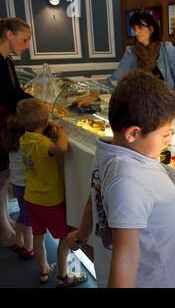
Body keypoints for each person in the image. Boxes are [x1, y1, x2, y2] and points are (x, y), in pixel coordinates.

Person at [67, 70, 175, 288]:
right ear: (133, 133)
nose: (170, 140)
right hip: (155, 281)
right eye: (165, 134)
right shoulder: (128, 180)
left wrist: (81, 235)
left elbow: (93, 199)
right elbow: (126, 257)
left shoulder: (108, 151)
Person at [16, 98, 88, 287]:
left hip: (31, 198)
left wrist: (48, 124)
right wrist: (62, 133)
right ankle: (64, 276)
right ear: (45, 120)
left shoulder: (25, 139)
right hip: (49, 201)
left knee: (38, 237)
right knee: (64, 239)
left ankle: (44, 270)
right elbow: (62, 148)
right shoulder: (42, 145)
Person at [74, 12, 175, 108]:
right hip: (141, 104)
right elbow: (115, 79)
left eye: (140, 28)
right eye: (134, 29)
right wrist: (96, 94)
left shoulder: (167, 48)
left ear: (151, 29)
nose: (136, 32)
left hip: (165, 103)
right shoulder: (131, 52)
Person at [0, 17, 32, 247]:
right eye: (25, 40)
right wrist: (37, 102)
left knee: (3, 178)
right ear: (9, 34)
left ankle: (5, 223)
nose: (27, 45)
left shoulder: (7, 61)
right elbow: (7, 95)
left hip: (5, 128)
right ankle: (4, 230)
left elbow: (15, 90)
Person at [5, 114, 34, 259]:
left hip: (16, 184)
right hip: (26, 186)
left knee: (23, 214)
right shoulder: (25, 146)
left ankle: (18, 241)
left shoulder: (11, 145)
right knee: (28, 218)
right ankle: (29, 247)